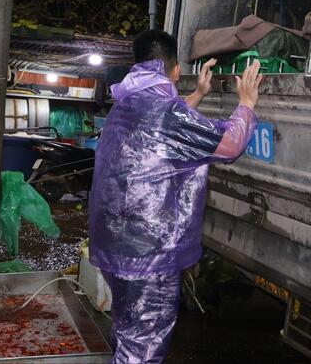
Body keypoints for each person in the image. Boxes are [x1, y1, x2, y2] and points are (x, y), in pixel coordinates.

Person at [88, 29, 262, 363]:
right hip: (149, 257)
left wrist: (198, 94)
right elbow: (228, 145)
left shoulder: (126, 104)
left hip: (112, 247)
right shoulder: (167, 113)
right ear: (176, 69)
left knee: (128, 330)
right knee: (143, 346)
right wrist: (246, 104)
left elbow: (165, 128)